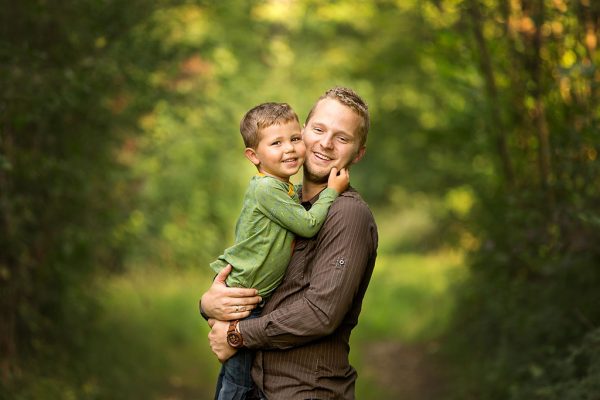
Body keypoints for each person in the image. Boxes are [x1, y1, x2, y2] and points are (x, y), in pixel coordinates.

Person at [201, 87, 378, 400]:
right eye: (319, 130)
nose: (325, 143)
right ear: (303, 132)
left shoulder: (348, 214)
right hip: (259, 387)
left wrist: (237, 334)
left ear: (358, 152)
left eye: (342, 137)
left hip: (306, 391)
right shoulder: (284, 202)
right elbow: (252, 270)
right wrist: (209, 304)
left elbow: (320, 314)